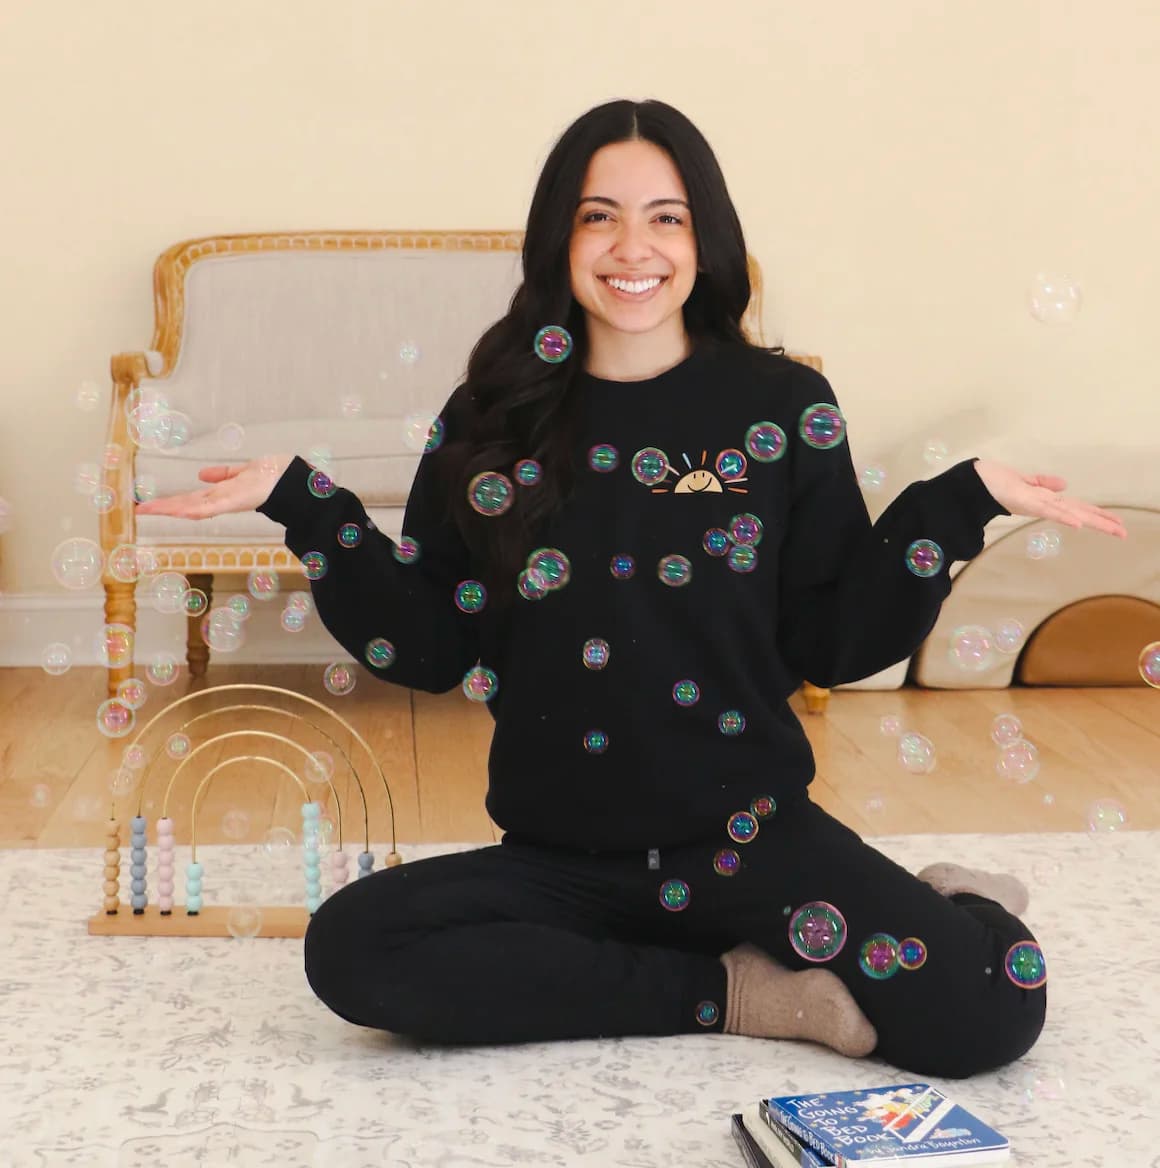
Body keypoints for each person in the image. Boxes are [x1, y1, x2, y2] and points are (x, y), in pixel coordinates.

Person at [138, 98, 1127, 1078]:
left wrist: (958, 505)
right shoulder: (490, 416)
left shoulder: (778, 405)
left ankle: (955, 901)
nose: (631, 246)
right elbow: (434, 646)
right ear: (557, 239)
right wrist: (304, 506)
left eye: (666, 216)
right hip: (560, 859)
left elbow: (828, 640)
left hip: (754, 848)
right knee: (352, 949)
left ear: (705, 238)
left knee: (987, 1017)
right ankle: (738, 996)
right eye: (597, 215)